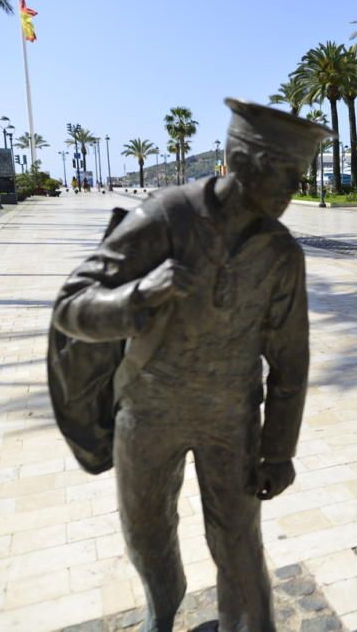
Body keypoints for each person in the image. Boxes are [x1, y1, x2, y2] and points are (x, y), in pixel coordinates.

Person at [49, 99, 332, 631]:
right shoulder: (165, 217)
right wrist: (137, 296)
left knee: (239, 541)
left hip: (232, 419)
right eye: (290, 174)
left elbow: (291, 361)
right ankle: (163, 605)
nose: (296, 190)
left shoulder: (281, 253)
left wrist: (279, 451)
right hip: (148, 411)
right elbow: (71, 305)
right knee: (146, 533)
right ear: (249, 162)